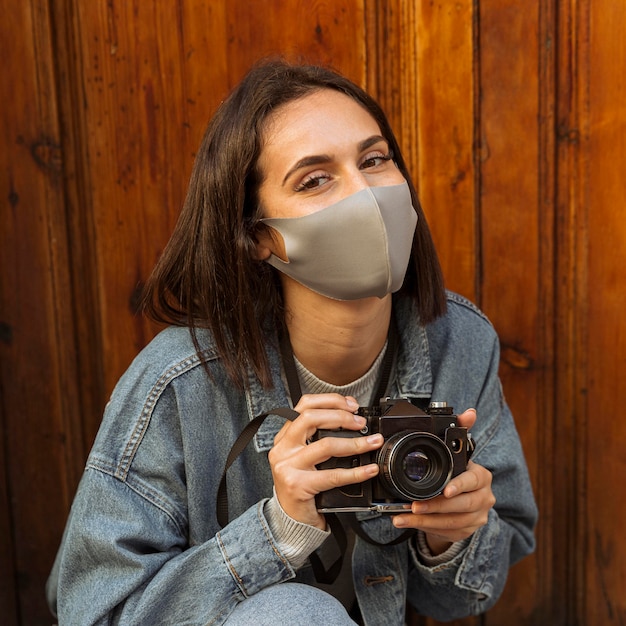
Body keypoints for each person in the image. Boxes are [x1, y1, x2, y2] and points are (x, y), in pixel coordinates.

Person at [46, 59, 537, 625]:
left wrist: (450, 539)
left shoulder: (461, 341)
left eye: (375, 160)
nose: (366, 194)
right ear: (260, 237)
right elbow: (93, 612)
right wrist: (277, 529)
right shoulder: (177, 384)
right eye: (315, 178)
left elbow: (464, 597)